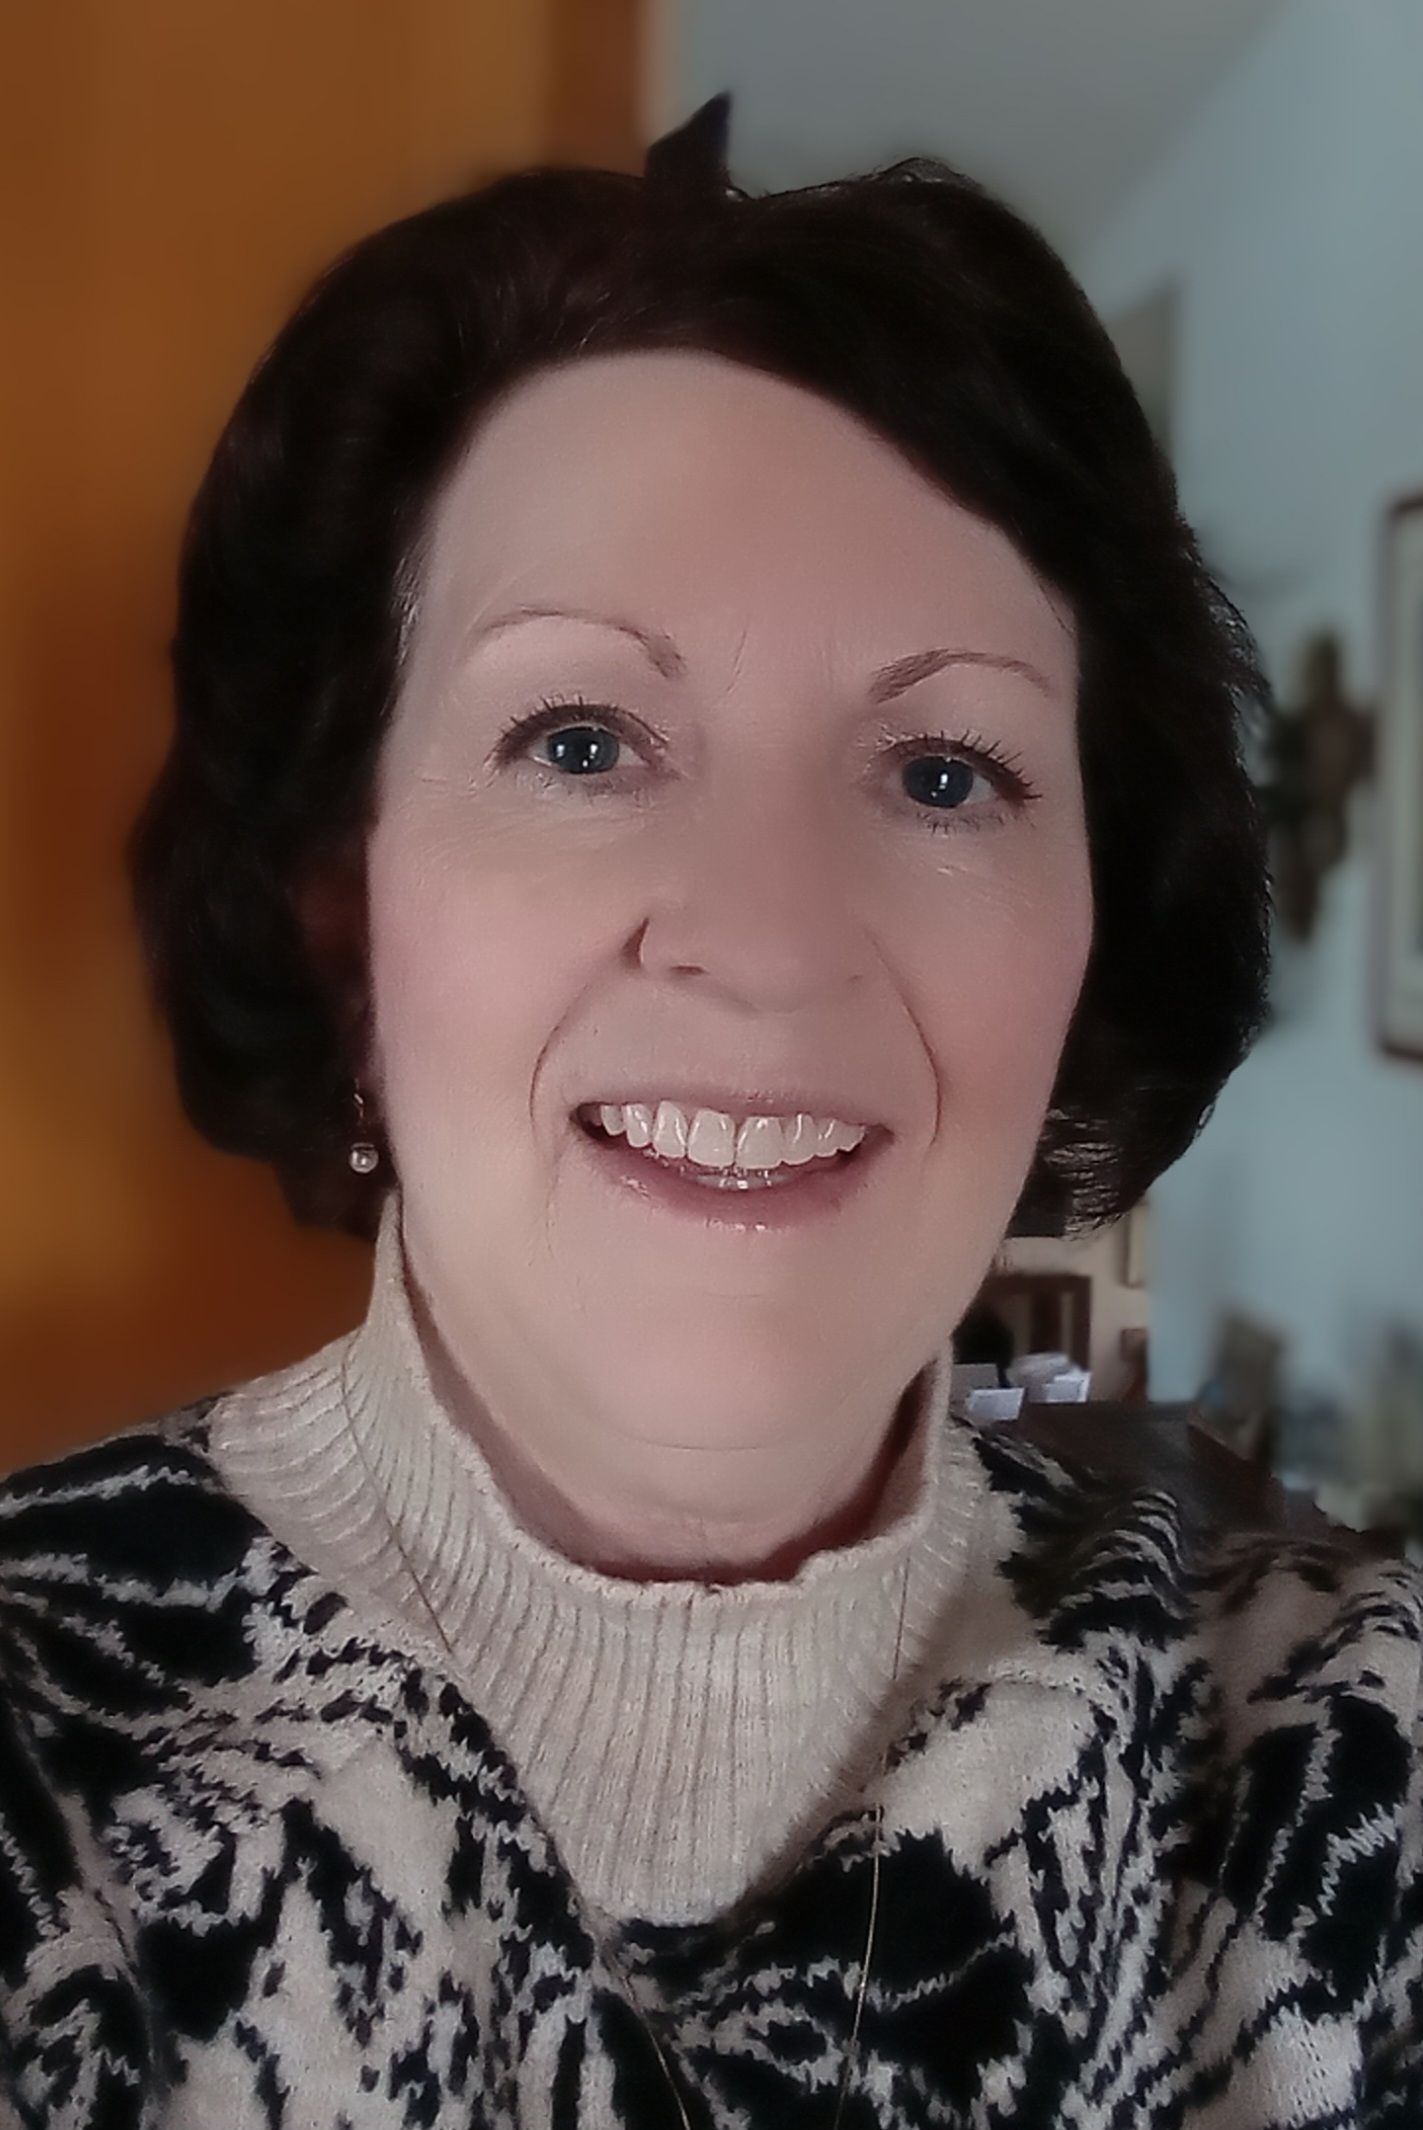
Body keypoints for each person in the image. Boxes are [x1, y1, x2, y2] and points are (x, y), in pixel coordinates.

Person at [2, 90, 1419, 2130]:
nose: (766, 943)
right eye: (580, 737)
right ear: (345, 914)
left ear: (1093, 937)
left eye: (943, 772)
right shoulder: (45, 1767)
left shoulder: (1343, 1758)